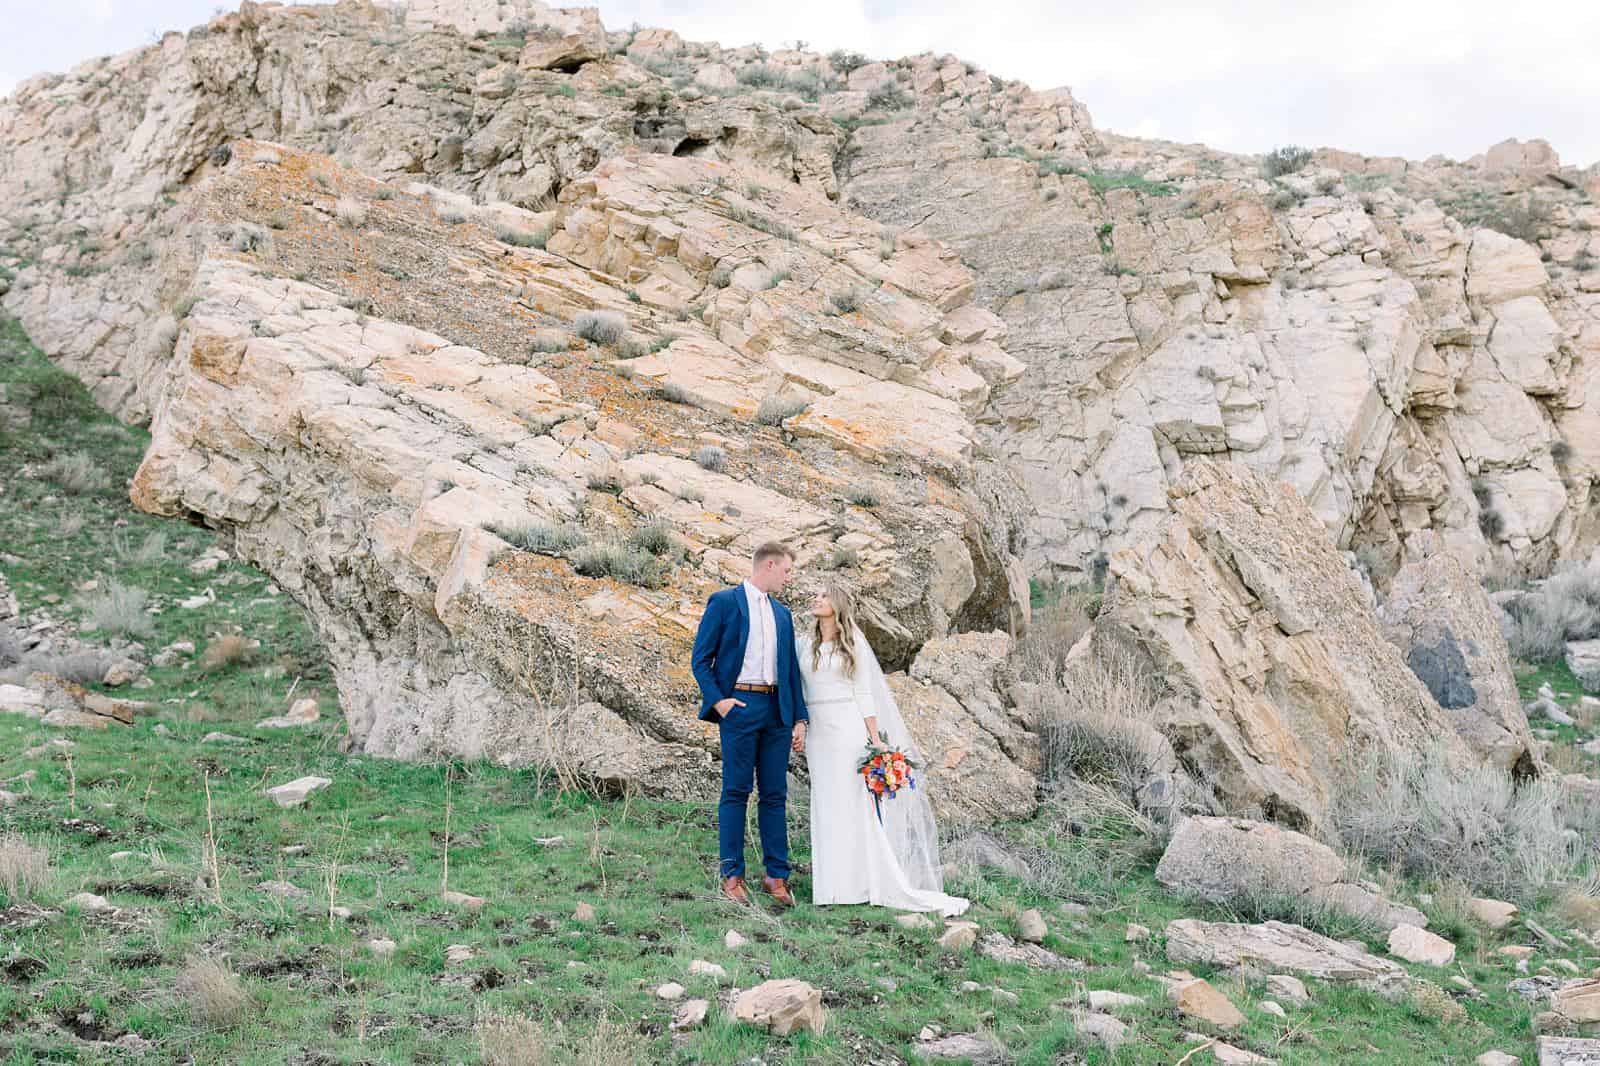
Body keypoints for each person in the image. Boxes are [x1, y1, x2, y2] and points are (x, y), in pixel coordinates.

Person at [796, 578, 969, 916]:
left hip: (847, 730)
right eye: (816, 595)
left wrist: (875, 741)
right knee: (826, 804)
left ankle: (862, 883)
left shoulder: (853, 643)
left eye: (823, 595)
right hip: (819, 735)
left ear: (838, 604)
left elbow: (864, 694)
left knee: (852, 805)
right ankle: (831, 887)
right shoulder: (806, 644)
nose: (815, 599)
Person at [690, 541, 808, 907]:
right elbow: (700, 659)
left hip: (776, 710)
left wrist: (800, 718)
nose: (789, 578)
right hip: (740, 706)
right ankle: (732, 873)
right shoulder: (725, 603)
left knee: (775, 794)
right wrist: (721, 702)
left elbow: (790, 671)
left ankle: (777, 876)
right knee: (736, 791)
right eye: (787, 571)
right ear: (769, 565)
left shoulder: (783, 615)